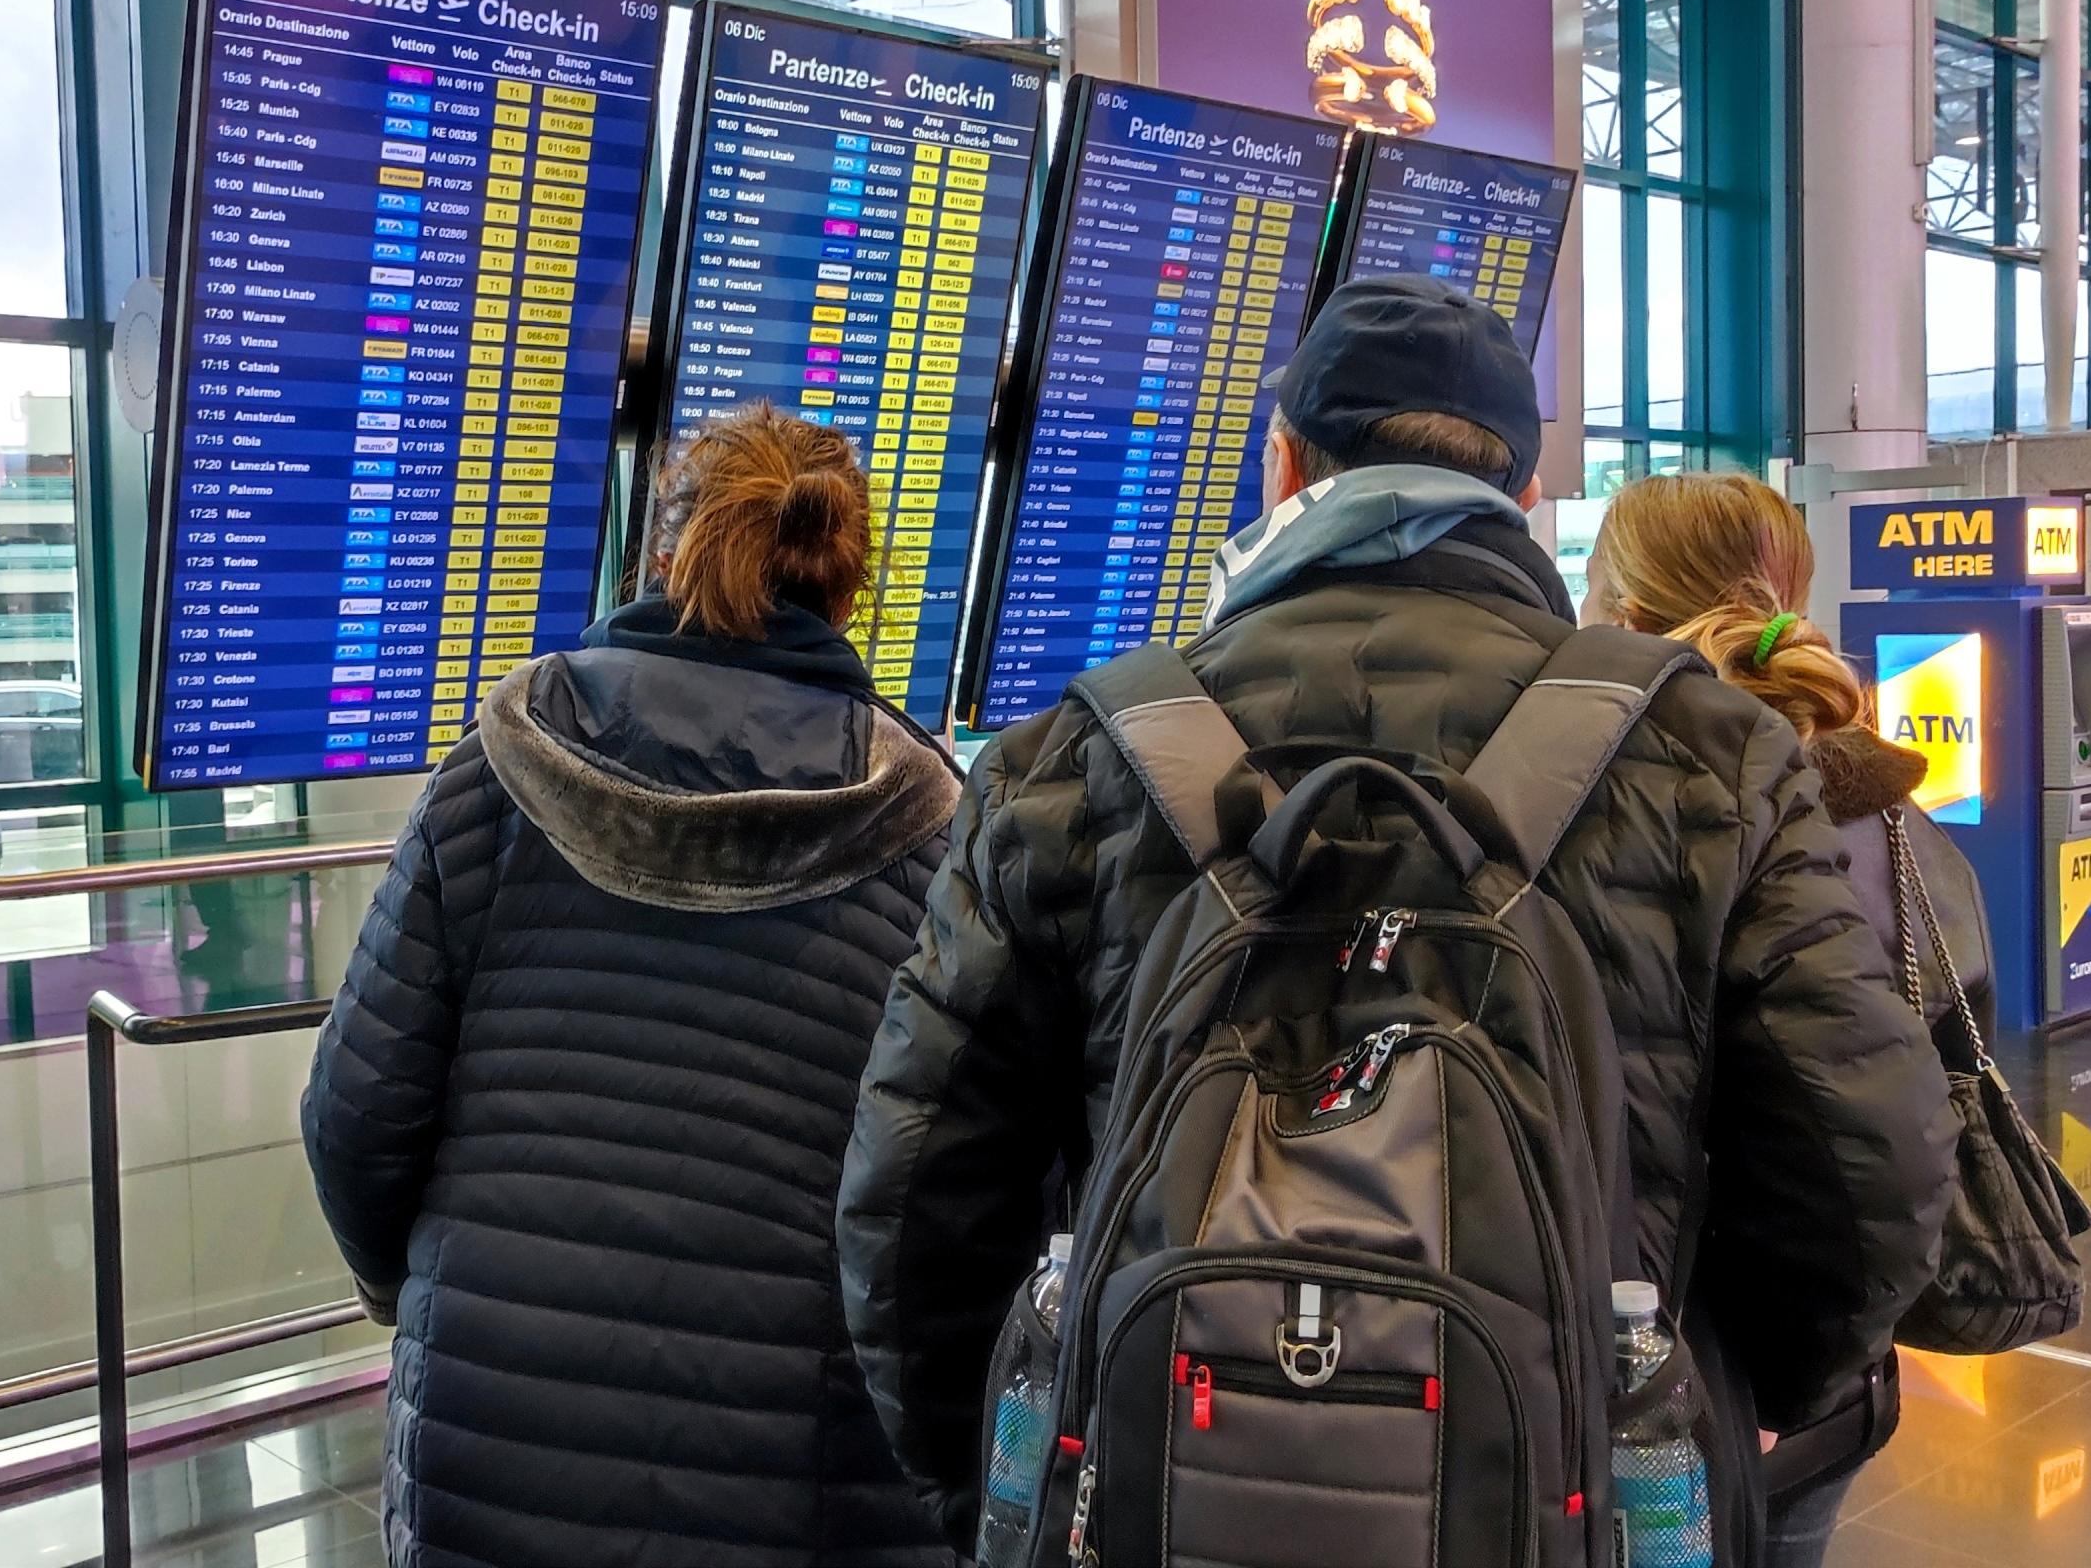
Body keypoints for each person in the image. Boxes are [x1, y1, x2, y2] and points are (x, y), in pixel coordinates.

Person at [836, 275, 1954, 1563]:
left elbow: (918, 1190)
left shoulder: (1074, 757)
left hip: (1156, 1484)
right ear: (1525, 501)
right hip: (1563, 1494)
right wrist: (1712, 1386)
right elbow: (1872, 1162)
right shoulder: (1706, 754)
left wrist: (990, 1477)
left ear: (1286, 466)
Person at [304, 402, 963, 1568]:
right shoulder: (931, 841)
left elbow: (354, 1116)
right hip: (793, 1465)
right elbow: (965, 1195)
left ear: (661, 554)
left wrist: (414, 1295)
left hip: (487, 1432)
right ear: (848, 586)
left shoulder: (492, 780)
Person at [1584, 470, 1995, 1567]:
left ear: (1623, 617)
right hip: (1836, 1374)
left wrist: (1770, 1376)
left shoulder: (1637, 820)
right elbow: (1934, 1082)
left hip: (1692, 1372)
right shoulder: (1890, 812)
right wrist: (1826, 1367)